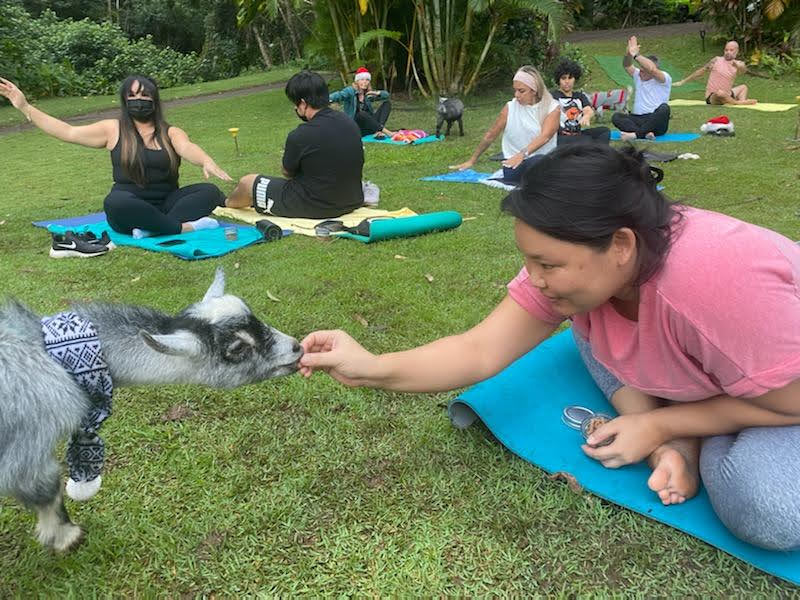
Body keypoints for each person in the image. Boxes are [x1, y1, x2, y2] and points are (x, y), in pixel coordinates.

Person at [299, 143, 800, 552]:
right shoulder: (584, 270)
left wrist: (659, 424)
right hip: (715, 368)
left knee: (766, 509)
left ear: (621, 245)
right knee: (585, 325)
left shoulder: (711, 286)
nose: (534, 281)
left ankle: (684, 428)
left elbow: (792, 402)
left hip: (783, 391)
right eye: (529, 261)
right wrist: (371, 366)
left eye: (549, 264)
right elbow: (479, 350)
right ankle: (680, 433)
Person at [0, 75, 232, 239]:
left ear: (154, 99)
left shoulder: (170, 132)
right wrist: (25, 107)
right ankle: (184, 228)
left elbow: (187, 147)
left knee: (208, 191)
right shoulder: (113, 129)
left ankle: (155, 227)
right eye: (131, 95)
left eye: (143, 95)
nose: (138, 100)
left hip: (167, 205)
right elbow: (67, 132)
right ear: (124, 99)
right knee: (114, 202)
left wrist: (205, 160)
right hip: (129, 206)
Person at [226, 70, 364, 219]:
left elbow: (287, 172)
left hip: (318, 206)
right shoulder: (349, 122)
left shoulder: (301, 135)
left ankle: (225, 204)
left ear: (303, 104)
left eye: (296, 104)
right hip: (352, 199)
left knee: (248, 182)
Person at [449, 65, 559, 184]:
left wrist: (522, 154)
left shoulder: (552, 108)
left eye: (521, 91)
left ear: (534, 90)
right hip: (514, 166)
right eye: (515, 90)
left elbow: (545, 136)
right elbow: (490, 135)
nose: (516, 95)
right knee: (537, 164)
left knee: (541, 161)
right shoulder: (510, 108)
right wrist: (472, 160)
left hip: (543, 161)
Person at [611, 36, 672, 141]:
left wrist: (636, 55)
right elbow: (627, 65)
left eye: (644, 69)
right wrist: (628, 54)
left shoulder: (664, 78)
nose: (640, 72)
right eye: (640, 69)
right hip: (638, 119)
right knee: (617, 117)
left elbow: (652, 69)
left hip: (656, 120)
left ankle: (636, 135)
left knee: (664, 108)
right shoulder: (638, 75)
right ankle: (645, 133)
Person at [674, 40, 757, 105]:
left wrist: (739, 66)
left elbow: (743, 70)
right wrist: (683, 81)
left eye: (731, 50)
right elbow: (701, 71)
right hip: (713, 96)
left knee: (743, 87)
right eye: (726, 50)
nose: (728, 52)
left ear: (737, 51)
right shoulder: (716, 60)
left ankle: (740, 101)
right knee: (720, 93)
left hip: (728, 94)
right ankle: (738, 103)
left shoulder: (739, 64)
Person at [550, 58, 610, 145]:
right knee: (586, 141)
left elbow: (588, 110)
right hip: (561, 137)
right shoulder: (552, 96)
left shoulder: (580, 96)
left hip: (578, 135)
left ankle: (598, 155)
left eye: (570, 78)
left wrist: (586, 116)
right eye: (563, 78)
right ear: (559, 80)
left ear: (575, 79)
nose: (567, 81)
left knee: (604, 131)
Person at [329, 66, 395, 138]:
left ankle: (378, 131)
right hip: (356, 128)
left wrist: (376, 93)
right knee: (361, 114)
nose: (364, 82)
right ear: (357, 81)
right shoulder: (350, 91)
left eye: (367, 80)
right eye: (362, 79)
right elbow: (339, 95)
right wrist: (327, 98)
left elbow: (386, 95)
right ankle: (387, 132)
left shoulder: (368, 94)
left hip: (370, 126)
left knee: (387, 104)